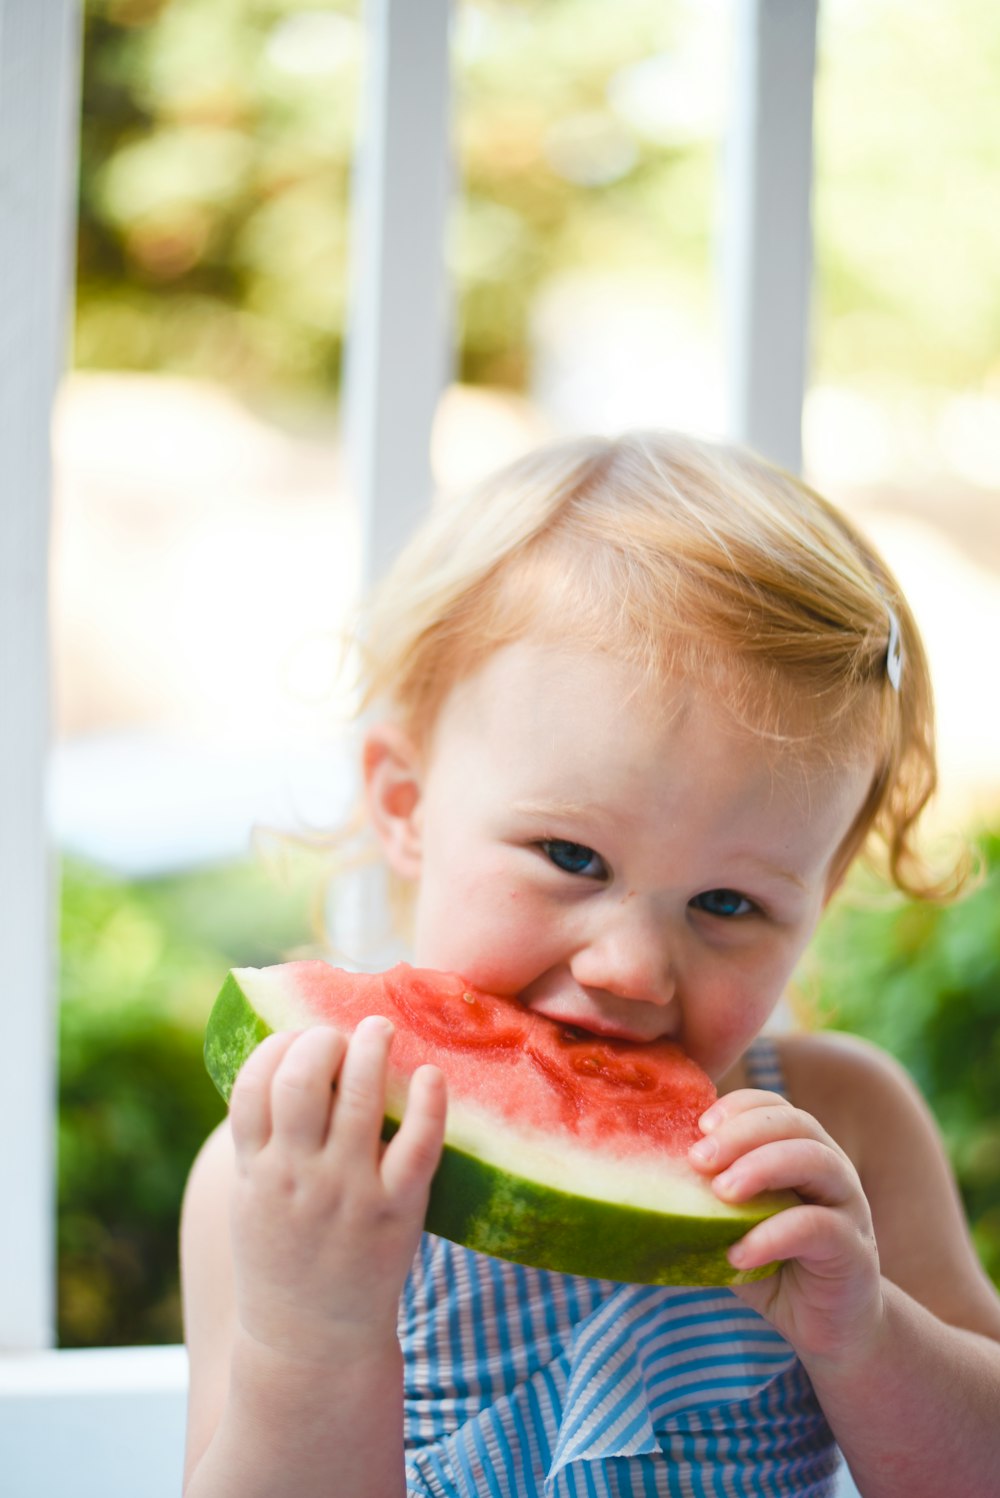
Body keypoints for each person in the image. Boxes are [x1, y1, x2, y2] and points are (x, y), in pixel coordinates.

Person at [180, 431, 1000, 1498]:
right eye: (572, 857)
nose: (628, 965)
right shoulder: (292, 1164)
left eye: (727, 902)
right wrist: (316, 1334)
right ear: (405, 804)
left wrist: (870, 1336)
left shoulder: (845, 1128)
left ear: (818, 903)